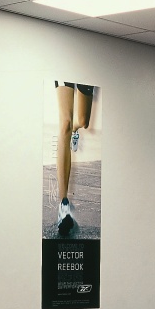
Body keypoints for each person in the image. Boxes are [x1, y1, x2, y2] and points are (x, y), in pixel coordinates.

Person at [54, 82, 94, 235]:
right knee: (65, 124)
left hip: (87, 72)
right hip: (65, 70)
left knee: (83, 121)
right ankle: (63, 207)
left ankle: (75, 130)